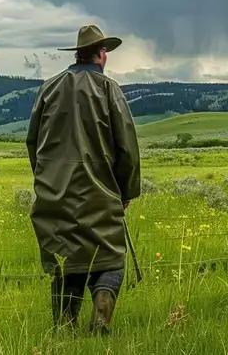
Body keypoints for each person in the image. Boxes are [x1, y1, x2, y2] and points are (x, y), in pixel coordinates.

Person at [25, 24, 142, 334]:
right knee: (110, 260)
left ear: (78, 54)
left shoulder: (49, 88)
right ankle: (101, 320)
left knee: (68, 259)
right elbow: (127, 147)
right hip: (102, 193)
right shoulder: (108, 89)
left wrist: (46, 182)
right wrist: (126, 191)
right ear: (101, 54)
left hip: (53, 195)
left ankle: (64, 329)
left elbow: (32, 143)